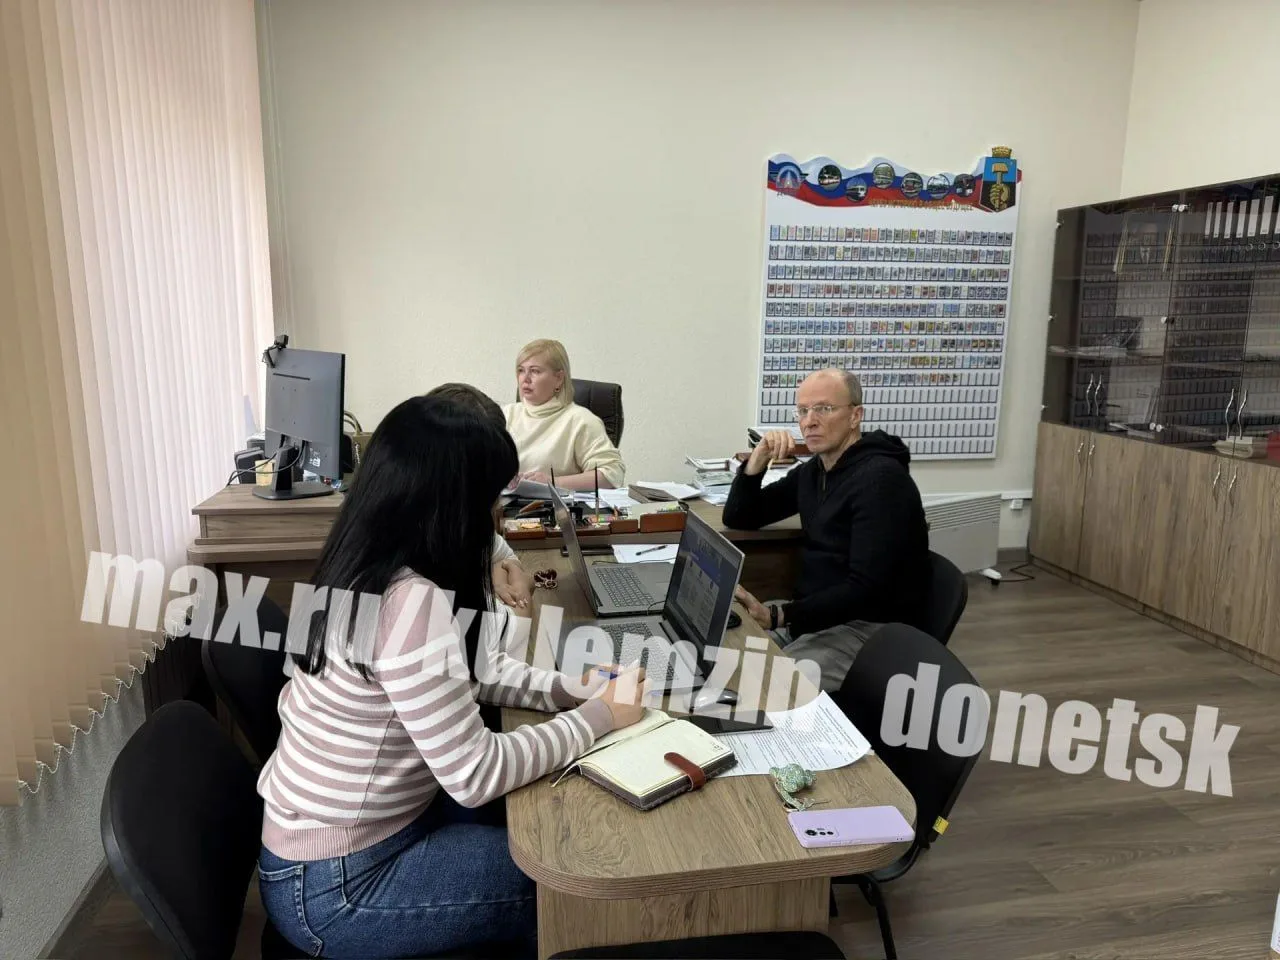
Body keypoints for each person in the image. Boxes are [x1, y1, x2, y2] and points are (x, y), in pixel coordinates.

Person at [255, 393, 646, 959]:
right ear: (455, 506)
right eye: (492, 500)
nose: (497, 517)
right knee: (575, 879)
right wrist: (600, 716)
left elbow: (469, 675)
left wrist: (568, 690)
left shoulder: (362, 558)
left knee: (547, 823)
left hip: (338, 845)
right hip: (340, 884)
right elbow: (475, 772)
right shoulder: (409, 603)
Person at [722, 368, 929, 692]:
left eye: (824, 409)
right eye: (803, 411)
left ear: (855, 416)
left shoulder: (881, 480)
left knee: (768, 688)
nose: (809, 422)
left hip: (867, 627)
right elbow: (740, 516)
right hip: (817, 616)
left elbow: (866, 589)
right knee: (724, 656)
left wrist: (781, 615)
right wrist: (756, 462)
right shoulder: (816, 470)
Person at [426, 381, 534, 611]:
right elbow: (513, 627)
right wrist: (522, 588)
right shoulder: (424, 546)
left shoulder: (459, 517)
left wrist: (501, 573)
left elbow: (503, 555)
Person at [503, 338, 625, 491]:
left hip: (553, 505)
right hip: (503, 504)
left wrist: (553, 482)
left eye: (535, 371)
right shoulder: (505, 415)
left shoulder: (580, 421)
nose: (525, 379)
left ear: (559, 378)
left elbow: (612, 474)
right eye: (521, 370)